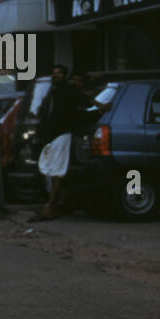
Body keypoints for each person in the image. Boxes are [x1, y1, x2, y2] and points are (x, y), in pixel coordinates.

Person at [31, 66, 109, 222]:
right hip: (54, 136)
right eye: (54, 73)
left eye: (59, 73)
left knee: (57, 172)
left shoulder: (65, 90)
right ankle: (52, 206)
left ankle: (51, 207)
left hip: (60, 135)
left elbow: (81, 107)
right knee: (55, 172)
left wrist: (98, 107)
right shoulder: (56, 90)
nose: (56, 76)